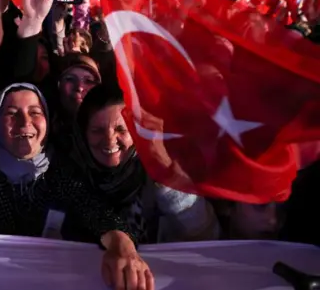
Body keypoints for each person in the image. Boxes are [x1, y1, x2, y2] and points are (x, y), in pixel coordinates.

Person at [0, 4, 155, 290]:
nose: (25, 123)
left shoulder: (59, 172)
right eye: (11, 112)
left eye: (34, 112)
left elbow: (93, 209)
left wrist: (121, 243)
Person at [65, 83, 220, 244]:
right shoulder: (69, 177)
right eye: (97, 131)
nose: (110, 140)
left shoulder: (158, 174)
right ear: (84, 135)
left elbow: (206, 235)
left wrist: (166, 176)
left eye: (121, 129)